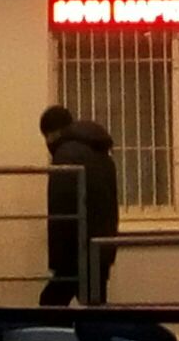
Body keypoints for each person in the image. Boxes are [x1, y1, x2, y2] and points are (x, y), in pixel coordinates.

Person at [38, 104, 119, 306]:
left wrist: (59, 256)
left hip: (76, 249)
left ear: (52, 132)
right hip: (100, 245)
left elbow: (61, 207)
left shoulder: (65, 155)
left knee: (50, 304)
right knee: (94, 305)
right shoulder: (101, 153)